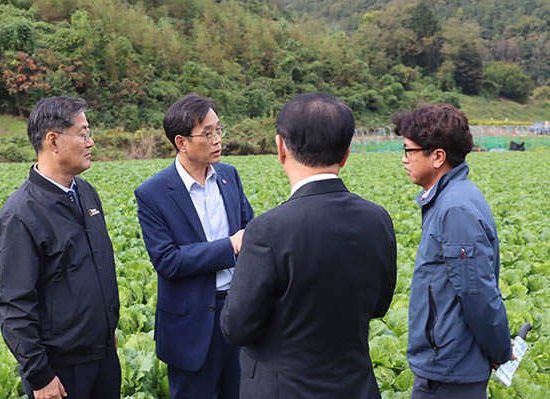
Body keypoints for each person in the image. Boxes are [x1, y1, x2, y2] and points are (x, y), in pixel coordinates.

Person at [220, 92, 397, 398]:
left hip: (283, 389)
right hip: (355, 386)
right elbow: (379, 306)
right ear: (346, 153)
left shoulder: (266, 230)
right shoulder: (377, 218)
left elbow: (238, 327)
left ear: (280, 147)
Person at [0, 96, 121, 399]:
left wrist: (104, 330)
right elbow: (14, 307)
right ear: (53, 140)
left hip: (103, 357)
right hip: (60, 371)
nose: (91, 142)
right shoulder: (21, 215)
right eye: (83, 133)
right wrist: (39, 376)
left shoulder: (86, 193)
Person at [135, 93, 254, 398]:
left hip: (237, 312)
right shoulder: (154, 193)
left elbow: (249, 231)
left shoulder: (229, 176)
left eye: (218, 130)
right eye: (208, 133)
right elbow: (168, 261)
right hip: (190, 326)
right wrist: (229, 247)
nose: (218, 140)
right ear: (182, 142)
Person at [391, 104, 514, 399]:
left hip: (450, 371)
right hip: (448, 363)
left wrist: (500, 350)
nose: (404, 159)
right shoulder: (450, 198)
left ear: (437, 156)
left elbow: (478, 294)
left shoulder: (455, 208)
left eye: (409, 150)